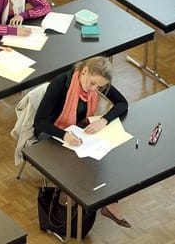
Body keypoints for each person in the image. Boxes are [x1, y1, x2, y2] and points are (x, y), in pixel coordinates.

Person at [34, 56, 131, 228]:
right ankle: (79, 206)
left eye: (99, 87)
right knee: (80, 163)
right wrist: (64, 135)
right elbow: (40, 122)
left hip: (78, 131)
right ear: (84, 71)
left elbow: (122, 103)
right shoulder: (60, 83)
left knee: (104, 157)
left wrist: (104, 120)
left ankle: (105, 201)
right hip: (52, 133)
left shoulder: (97, 81)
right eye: (93, 83)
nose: (95, 89)